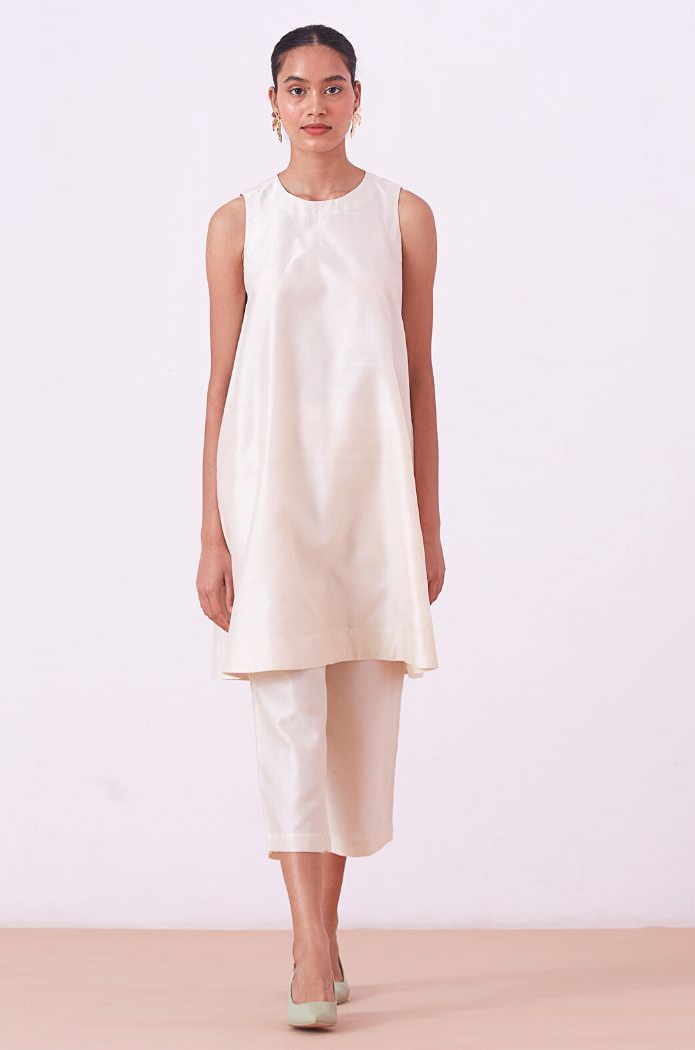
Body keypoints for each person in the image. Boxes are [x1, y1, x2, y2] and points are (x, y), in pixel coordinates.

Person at [197, 23, 444, 1028]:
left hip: (371, 498)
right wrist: (212, 534)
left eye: (331, 86)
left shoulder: (404, 216)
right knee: (286, 710)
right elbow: (221, 381)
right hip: (270, 495)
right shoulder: (236, 224)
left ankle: (326, 933)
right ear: (272, 102)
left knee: (353, 718)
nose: (314, 104)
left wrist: (428, 523)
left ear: (356, 98)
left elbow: (420, 376)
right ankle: (307, 942)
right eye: (295, 88)